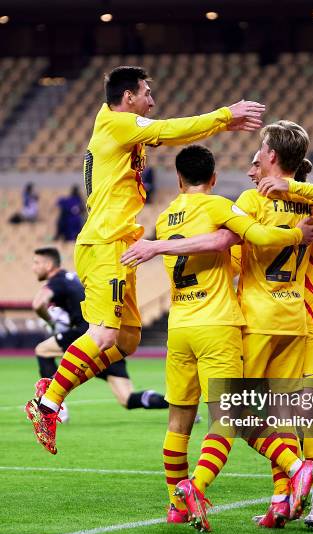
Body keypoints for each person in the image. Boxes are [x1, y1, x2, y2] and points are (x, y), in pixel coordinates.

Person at [24, 64, 265, 455]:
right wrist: (224, 117)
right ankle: (48, 404)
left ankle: (50, 389)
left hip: (120, 245)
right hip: (106, 243)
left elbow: (164, 133)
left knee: (127, 340)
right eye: (147, 92)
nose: (152, 100)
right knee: (102, 334)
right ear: (129, 97)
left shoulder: (120, 130)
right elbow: (168, 131)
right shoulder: (117, 124)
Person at [122, 144, 313, 532]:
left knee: (178, 422)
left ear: (178, 178)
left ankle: (176, 506)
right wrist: (296, 234)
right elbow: (257, 236)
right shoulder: (218, 206)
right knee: (228, 419)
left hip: (179, 328)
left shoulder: (164, 217)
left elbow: (214, 246)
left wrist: (162, 245)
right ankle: (297, 468)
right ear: (212, 179)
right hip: (218, 326)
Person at [244, 149, 313, 530]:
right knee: (286, 415)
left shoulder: (266, 206)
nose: (251, 171)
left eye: (256, 164)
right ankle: (290, 501)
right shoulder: (310, 209)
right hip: (300, 322)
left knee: (297, 414)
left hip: (297, 323)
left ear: (273, 164)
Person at [31, 247, 168, 416]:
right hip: (111, 338)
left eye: (36, 263)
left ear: (49, 264)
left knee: (42, 350)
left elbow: (38, 304)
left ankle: (55, 407)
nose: (33, 267)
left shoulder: (57, 280)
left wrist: (51, 323)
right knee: (127, 399)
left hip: (90, 333)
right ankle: (174, 405)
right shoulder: (71, 278)